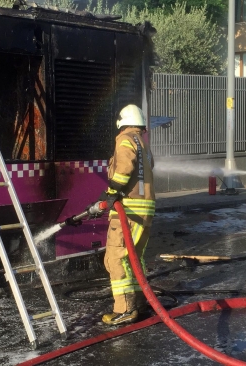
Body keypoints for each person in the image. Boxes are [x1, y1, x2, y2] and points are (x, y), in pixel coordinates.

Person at [98, 104, 155, 325]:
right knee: (133, 258)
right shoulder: (143, 144)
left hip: (129, 209)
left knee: (116, 258)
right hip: (145, 209)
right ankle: (139, 304)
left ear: (122, 123)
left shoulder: (124, 140)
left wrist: (112, 192)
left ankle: (123, 309)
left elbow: (124, 170)